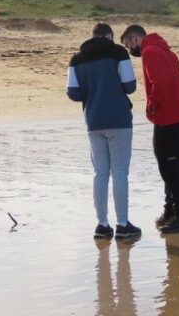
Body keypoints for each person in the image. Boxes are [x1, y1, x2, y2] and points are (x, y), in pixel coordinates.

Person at [66, 23, 141, 240]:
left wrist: (93, 89)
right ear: (109, 36)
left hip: (93, 119)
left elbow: (73, 93)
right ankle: (123, 224)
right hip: (118, 118)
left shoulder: (77, 58)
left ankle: (102, 224)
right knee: (119, 172)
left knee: (100, 173)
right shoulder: (118, 52)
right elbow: (130, 86)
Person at [120, 24, 179, 234]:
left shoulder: (150, 52)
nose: (129, 50)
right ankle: (171, 211)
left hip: (167, 119)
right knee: (172, 169)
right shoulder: (167, 51)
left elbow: (159, 83)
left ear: (135, 38)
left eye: (127, 45)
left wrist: (151, 106)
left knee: (169, 170)